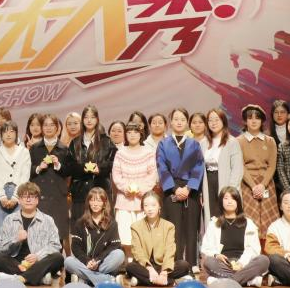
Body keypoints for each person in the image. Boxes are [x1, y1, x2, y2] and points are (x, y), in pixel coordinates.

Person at [156, 108, 204, 267]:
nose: (179, 122)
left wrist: (188, 188)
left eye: (183, 119)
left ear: (187, 123)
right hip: (171, 189)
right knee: (173, 228)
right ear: (170, 122)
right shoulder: (163, 143)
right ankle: (174, 265)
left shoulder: (194, 144)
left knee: (191, 228)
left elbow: (199, 167)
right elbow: (162, 168)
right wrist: (175, 189)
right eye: (176, 119)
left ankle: (191, 264)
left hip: (191, 190)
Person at [0, 181, 64, 285]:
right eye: (24, 197)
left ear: (37, 200)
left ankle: (21, 278)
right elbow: (0, 247)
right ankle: (38, 277)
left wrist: (38, 256)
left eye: (32, 196)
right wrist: (16, 239)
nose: (28, 199)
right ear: (19, 200)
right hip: (16, 263)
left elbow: (56, 245)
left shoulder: (47, 220)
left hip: (39, 262)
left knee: (58, 258)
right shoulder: (9, 219)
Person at [200, 187, 270, 286]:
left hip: (244, 264)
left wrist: (241, 263)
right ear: (221, 201)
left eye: (233, 198)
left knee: (264, 260)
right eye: (226, 198)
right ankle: (248, 281)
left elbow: (254, 249)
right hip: (223, 264)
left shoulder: (248, 223)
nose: (229, 201)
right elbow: (205, 248)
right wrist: (216, 255)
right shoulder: (214, 223)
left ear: (238, 202)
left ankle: (224, 280)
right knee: (209, 262)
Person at [126, 191, 192, 286]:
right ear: (143, 208)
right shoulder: (135, 226)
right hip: (145, 266)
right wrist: (149, 268)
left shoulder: (169, 226)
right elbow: (137, 251)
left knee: (184, 265)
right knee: (130, 267)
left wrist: (164, 271)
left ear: (159, 206)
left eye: (153, 205)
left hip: (162, 266)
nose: (150, 209)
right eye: (146, 205)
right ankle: (171, 282)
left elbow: (170, 250)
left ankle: (141, 281)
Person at [112, 122, 157, 254]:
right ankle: (128, 260)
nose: (132, 135)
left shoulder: (148, 152)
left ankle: (142, 261)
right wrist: (126, 188)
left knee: (144, 236)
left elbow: (152, 174)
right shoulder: (120, 153)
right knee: (125, 235)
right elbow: (116, 175)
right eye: (129, 132)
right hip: (124, 199)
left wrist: (140, 189)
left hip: (143, 200)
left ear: (140, 134)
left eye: (135, 132)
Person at [28, 114, 74, 244]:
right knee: (39, 235)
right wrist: (38, 167)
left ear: (57, 128)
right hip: (40, 195)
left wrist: (58, 165)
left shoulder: (64, 149)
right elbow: (27, 170)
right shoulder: (35, 148)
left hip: (58, 196)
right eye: (45, 125)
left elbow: (69, 171)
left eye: (52, 125)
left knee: (57, 236)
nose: (48, 128)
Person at [64, 187, 124, 286]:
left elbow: (114, 245)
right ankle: (107, 280)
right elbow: (75, 247)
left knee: (119, 254)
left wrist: (97, 261)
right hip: (85, 263)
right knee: (68, 261)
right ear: (88, 202)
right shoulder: (80, 223)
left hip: (102, 262)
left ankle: (86, 279)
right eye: (92, 200)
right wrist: (87, 261)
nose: (95, 204)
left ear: (104, 203)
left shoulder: (112, 223)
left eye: (99, 201)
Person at [237, 104, 280, 239]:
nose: (254, 121)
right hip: (247, 184)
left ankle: (269, 249)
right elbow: (240, 166)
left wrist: (262, 185)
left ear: (262, 121)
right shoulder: (238, 141)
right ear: (245, 121)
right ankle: (251, 249)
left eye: (257, 118)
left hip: (266, 183)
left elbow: (271, 166)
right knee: (250, 219)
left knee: (269, 219)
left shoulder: (270, 141)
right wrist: (253, 186)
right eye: (250, 118)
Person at [67, 105, 116, 222]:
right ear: (82, 120)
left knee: (102, 225)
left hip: (101, 189)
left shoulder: (107, 141)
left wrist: (99, 169)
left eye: (92, 117)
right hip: (80, 192)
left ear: (97, 119)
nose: (89, 120)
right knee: (79, 226)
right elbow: (70, 166)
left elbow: (113, 163)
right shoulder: (75, 142)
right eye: (86, 117)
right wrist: (83, 168)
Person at [203, 109, 244, 236]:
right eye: (210, 120)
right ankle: (213, 243)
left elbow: (237, 168)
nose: (213, 123)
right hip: (208, 182)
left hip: (225, 182)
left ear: (223, 121)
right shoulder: (203, 142)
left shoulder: (232, 141)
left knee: (226, 213)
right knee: (212, 215)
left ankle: (228, 244)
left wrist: (231, 189)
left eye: (217, 120)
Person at [0, 120, 31, 229]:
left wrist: (15, 196)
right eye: (5, 132)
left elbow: (25, 175)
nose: (8, 134)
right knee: (1, 230)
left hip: (19, 193)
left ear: (16, 134)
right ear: (1, 134)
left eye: (12, 131)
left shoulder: (24, 152)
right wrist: (2, 195)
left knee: (18, 229)